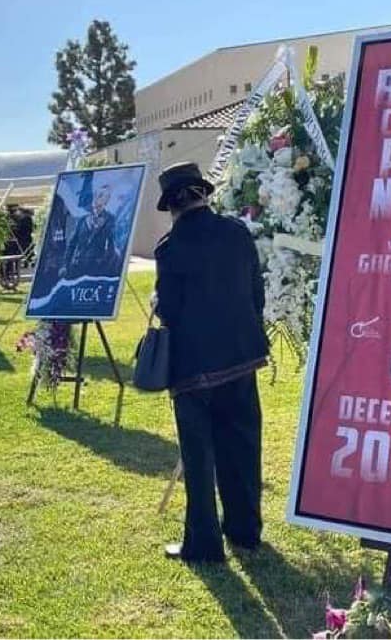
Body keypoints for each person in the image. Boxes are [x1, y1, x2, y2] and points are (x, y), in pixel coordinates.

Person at [154, 162, 268, 563]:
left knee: (200, 460)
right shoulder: (237, 233)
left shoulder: (169, 249)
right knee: (243, 445)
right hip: (241, 357)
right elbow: (257, 293)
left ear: (172, 205)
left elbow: (169, 310)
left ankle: (203, 544)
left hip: (194, 369)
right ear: (204, 194)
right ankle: (245, 530)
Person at [63, 185, 120, 280]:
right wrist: (65, 264)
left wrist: (104, 265)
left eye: (101, 195)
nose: (97, 197)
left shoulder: (110, 219)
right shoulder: (83, 219)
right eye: (97, 194)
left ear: (107, 200)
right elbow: (72, 244)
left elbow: (112, 245)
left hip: (97, 269)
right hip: (77, 267)